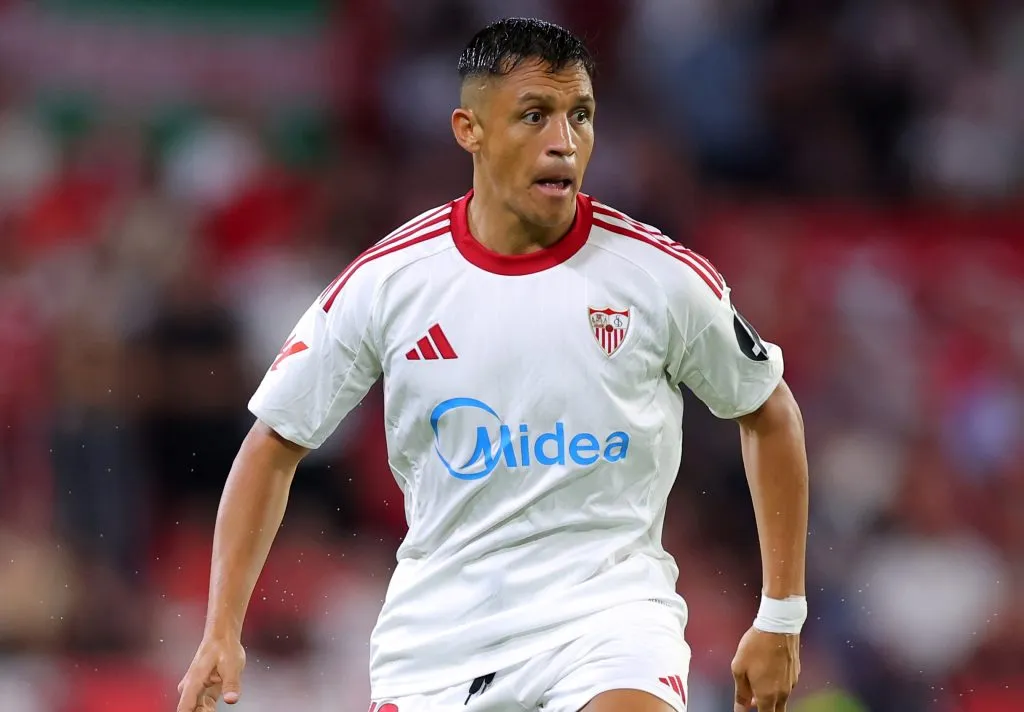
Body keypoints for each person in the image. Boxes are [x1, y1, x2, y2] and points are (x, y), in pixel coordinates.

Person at [176, 16, 809, 712]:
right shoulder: (390, 281)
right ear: (468, 129)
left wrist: (780, 612)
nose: (564, 143)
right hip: (440, 639)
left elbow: (767, 408)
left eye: (582, 116)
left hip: (610, 619)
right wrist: (220, 630)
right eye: (535, 116)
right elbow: (272, 443)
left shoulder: (659, 277)